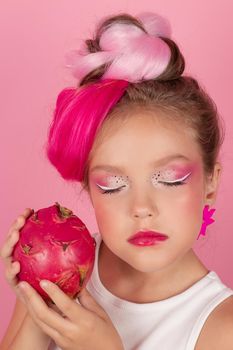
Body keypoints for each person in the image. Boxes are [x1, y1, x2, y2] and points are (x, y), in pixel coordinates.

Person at [1, 11, 233, 350]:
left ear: (211, 183)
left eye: (170, 179)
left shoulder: (222, 329)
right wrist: (36, 291)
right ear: (88, 188)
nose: (141, 208)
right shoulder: (66, 269)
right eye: (112, 184)